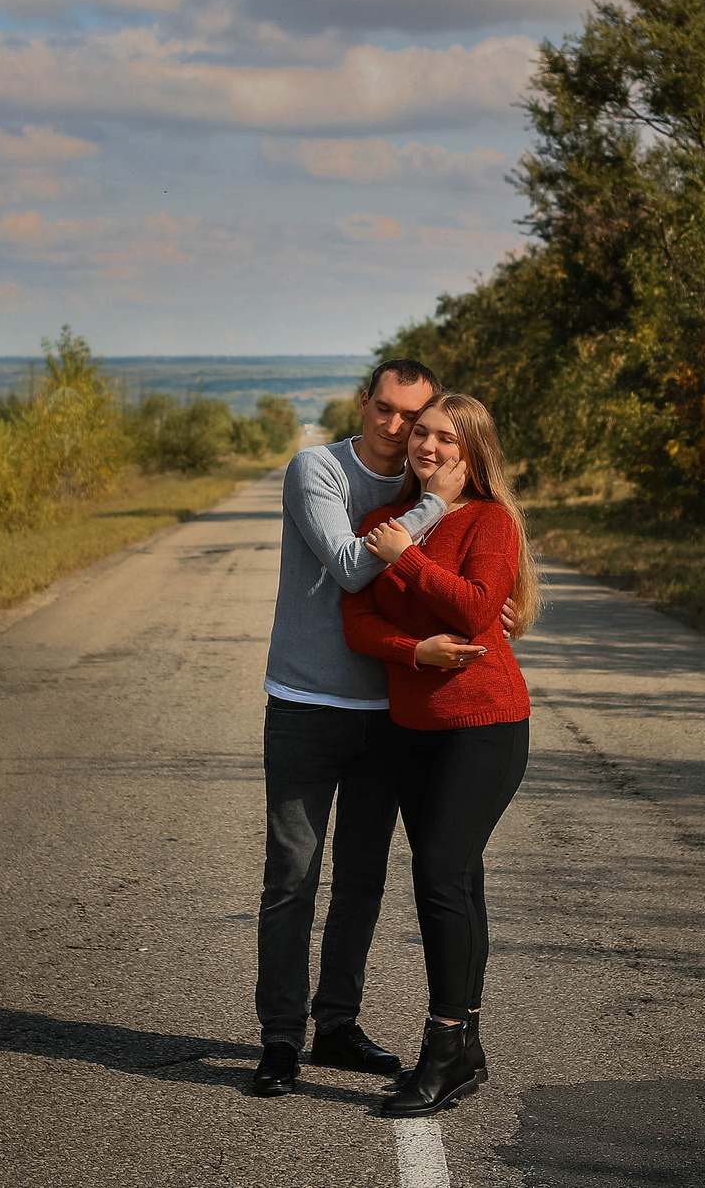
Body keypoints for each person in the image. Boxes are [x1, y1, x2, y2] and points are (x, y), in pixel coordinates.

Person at [250, 358, 448, 1098]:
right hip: (304, 704)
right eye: (387, 410)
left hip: (388, 712)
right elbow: (350, 565)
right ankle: (279, 1039)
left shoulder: (417, 485)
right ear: (364, 402)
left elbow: (457, 570)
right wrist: (434, 505)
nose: (398, 429)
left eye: (415, 418)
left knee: (362, 879)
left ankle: (335, 1026)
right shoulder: (317, 470)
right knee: (292, 878)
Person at [341, 392, 537, 1118]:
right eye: (421, 433)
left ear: (472, 452)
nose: (428, 446)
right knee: (459, 881)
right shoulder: (378, 525)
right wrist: (413, 650)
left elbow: (479, 607)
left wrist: (410, 558)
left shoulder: (489, 521)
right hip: (411, 726)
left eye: (446, 438)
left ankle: (443, 1044)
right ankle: (469, 1046)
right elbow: (356, 621)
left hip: (486, 722)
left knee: (440, 874)